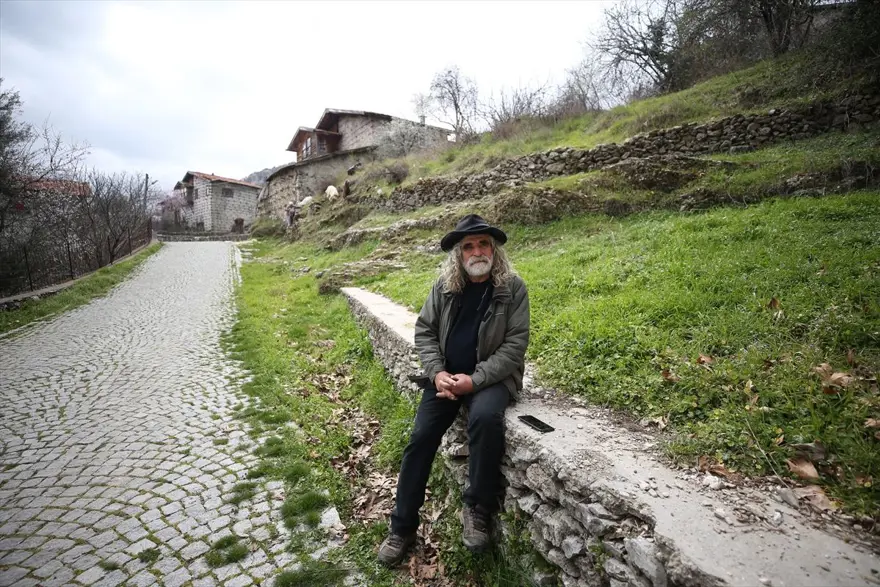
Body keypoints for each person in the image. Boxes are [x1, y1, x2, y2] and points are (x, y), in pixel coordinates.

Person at [378, 214, 530, 566]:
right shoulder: (444, 287)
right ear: (459, 255)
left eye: (483, 244)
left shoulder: (512, 287)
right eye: (469, 246)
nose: (477, 251)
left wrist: (474, 380)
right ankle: (401, 528)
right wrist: (437, 374)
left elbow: (515, 345)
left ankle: (477, 508)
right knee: (420, 437)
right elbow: (425, 332)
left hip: (491, 378)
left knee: (485, 418)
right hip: (445, 378)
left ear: (494, 249)